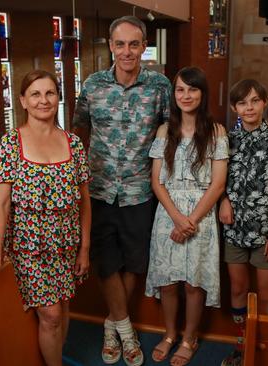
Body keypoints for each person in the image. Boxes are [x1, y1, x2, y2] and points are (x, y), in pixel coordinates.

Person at [0, 70, 91, 366]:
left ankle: (56, 358)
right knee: (50, 315)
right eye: (35, 94)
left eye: (50, 93)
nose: (43, 100)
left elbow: (85, 203)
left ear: (58, 98)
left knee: (63, 309)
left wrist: (84, 248)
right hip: (30, 247)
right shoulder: (10, 145)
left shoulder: (73, 144)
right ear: (23, 101)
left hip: (66, 242)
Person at [72, 15, 171, 366]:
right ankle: (124, 333)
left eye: (133, 44)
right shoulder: (93, 85)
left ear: (144, 47)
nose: (126, 51)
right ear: (110, 46)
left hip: (139, 190)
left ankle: (113, 323)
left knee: (134, 262)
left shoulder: (160, 86)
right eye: (120, 44)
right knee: (105, 262)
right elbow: (78, 130)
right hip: (98, 190)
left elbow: (175, 128)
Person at [145, 67, 227, 365]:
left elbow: (218, 184)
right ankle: (169, 334)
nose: (186, 95)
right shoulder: (165, 131)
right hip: (168, 211)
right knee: (168, 282)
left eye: (192, 89)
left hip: (201, 214)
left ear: (202, 94)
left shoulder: (216, 132)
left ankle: (190, 338)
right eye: (180, 90)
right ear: (174, 94)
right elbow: (156, 181)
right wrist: (177, 218)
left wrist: (190, 220)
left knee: (193, 284)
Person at [218, 79, 268, 366]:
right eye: (242, 102)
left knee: (266, 293)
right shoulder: (227, 140)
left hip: (265, 233)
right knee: (238, 290)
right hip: (234, 231)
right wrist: (223, 200)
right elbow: (217, 181)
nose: (248, 107)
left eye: (254, 101)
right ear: (234, 107)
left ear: (264, 102)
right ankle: (244, 346)